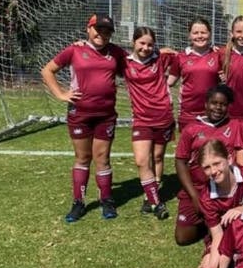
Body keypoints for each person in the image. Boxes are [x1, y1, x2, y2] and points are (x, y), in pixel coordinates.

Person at [41, 14, 126, 222]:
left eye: (107, 31)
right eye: (98, 29)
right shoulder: (75, 49)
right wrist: (61, 94)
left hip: (105, 115)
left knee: (103, 159)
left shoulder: (116, 53)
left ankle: (106, 200)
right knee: (83, 158)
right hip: (79, 115)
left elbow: (136, 65)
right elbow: (47, 70)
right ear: (88, 29)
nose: (102, 34)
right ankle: (78, 202)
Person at [168, 139, 243, 268]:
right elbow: (217, 235)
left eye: (217, 163)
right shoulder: (206, 197)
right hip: (224, 241)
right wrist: (213, 263)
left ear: (229, 159)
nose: (213, 171)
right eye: (207, 167)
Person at [174, 84, 242, 246]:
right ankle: (208, 224)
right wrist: (195, 197)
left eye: (223, 104)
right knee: (183, 238)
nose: (218, 107)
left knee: (232, 231)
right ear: (206, 104)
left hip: (224, 189)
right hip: (197, 189)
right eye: (214, 103)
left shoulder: (235, 126)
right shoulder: (191, 129)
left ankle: (214, 224)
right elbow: (180, 161)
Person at [124, 26, 175, 220]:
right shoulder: (124, 62)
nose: (146, 48)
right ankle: (156, 203)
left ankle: (150, 196)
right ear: (133, 43)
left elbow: (185, 59)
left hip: (163, 117)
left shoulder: (161, 59)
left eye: (150, 44)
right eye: (142, 43)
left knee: (158, 157)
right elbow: (105, 52)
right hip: (141, 120)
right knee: (141, 161)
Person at [168, 17, 223, 131]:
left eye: (203, 32)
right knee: (188, 148)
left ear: (210, 34)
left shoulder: (219, 55)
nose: (199, 36)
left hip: (213, 112)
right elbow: (169, 83)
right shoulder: (181, 57)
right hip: (188, 114)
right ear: (189, 35)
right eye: (195, 33)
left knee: (212, 148)